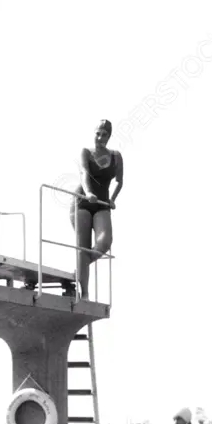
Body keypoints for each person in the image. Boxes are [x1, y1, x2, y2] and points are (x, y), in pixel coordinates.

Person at [70, 119, 124, 299]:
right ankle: (84, 293)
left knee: (104, 242)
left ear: (109, 137)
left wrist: (113, 199)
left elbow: (119, 181)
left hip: (102, 204)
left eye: (104, 135)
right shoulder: (86, 152)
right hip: (82, 201)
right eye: (97, 133)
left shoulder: (116, 156)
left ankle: (80, 267)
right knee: (82, 246)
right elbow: (84, 173)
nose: (100, 137)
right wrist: (88, 192)